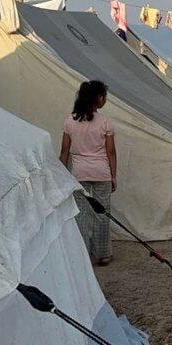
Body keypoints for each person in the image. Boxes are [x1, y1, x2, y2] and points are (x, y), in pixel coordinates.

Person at [60, 80, 118, 266]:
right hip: (101, 172)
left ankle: (82, 253)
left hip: (79, 173)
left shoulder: (70, 121)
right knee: (102, 213)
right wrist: (113, 176)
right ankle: (103, 254)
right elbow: (110, 152)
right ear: (99, 98)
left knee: (81, 215)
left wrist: (61, 174)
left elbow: (64, 152)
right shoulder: (105, 123)